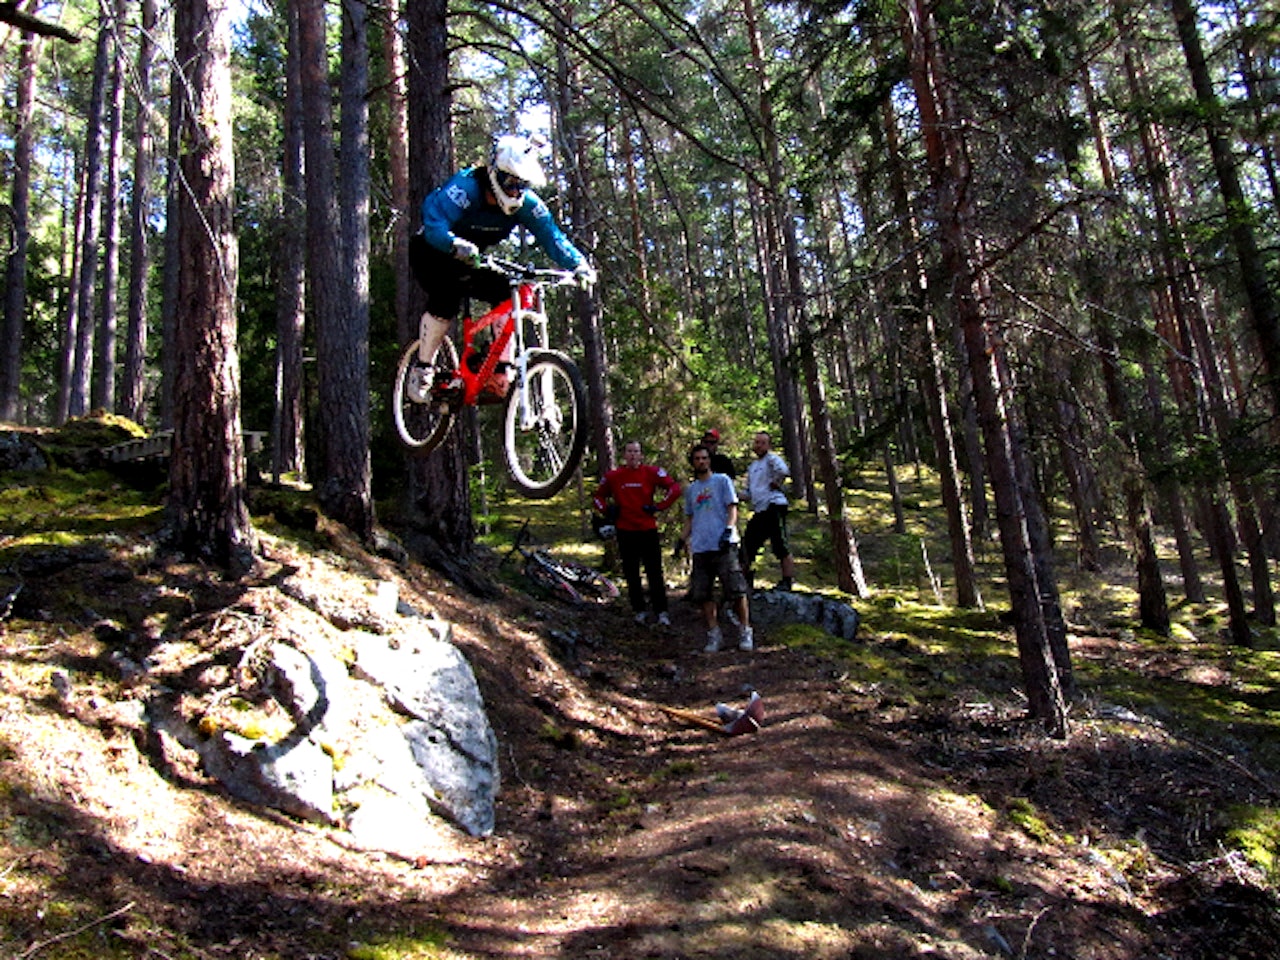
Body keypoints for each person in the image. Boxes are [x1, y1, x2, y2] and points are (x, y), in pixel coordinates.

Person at [410, 134, 596, 398]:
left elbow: (552, 237)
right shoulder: (465, 189)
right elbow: (434, 222)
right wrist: (452, 244)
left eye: (523, 185)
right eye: (510, 183)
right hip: (432, 251)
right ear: (494, 174)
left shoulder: (527, 204)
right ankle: (423, 368)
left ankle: (500, 366)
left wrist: (579, 264)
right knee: (446, 296)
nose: (516, 191)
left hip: (473, 259)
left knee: (510, 291)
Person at [593, 441, 682, 626]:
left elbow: (674, 489)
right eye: (629, 451)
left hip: (648, 529)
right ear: (624, 455)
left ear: (641, 455)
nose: (633, 455)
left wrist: (658, 507)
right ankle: (639, 610)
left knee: (654, 572)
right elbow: (598, 496)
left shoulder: (651, 472)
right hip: (625, 530)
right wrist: (607, 511)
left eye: (636, 452)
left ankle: (661, 611)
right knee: (631, 572)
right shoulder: (614, 476)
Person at [682, 444, 753, 652]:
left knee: (736, 589)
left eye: (704, 458)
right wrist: (682, 539)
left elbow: (732, 509)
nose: (701, 462)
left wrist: (728, 531)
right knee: (703, 593)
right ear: (693, 462)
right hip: (701, 548)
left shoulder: (722, 481)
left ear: (709, 460)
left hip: (724, 545)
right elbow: (690, 518)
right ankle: (714, 633)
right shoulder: (692, 489)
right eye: (697, 459)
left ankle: (745, 630)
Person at [741, 431, 796, 592]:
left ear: (768, 445)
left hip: (774, 506)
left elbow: (783, 470)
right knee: (747, 544)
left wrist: (776, 482)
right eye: (756, 442)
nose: (758, 445)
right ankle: (745, 580)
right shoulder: (752, 467)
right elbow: (748, 492)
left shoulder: (772, 459)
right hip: (760, 509)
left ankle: (787, 581)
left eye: (762, 442)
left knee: (780, 544)